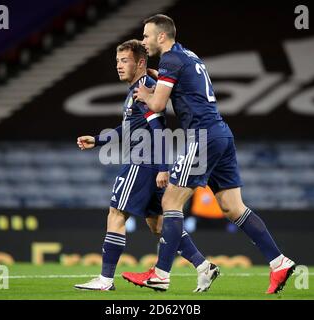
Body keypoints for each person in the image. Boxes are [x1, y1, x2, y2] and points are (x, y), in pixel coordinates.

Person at [121, 15, 296, 294]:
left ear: (161, 37)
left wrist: (143, 94)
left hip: (201, 136)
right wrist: (155, 76)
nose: (143, 41)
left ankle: (161, 274)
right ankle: (279, 262)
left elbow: (158, 103)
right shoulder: (186, 55)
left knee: (170, 201)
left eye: (146, 36)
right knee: (232, 207)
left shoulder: (169, 60)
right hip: (221, 133)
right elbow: (180, 81)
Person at [74, 39, 220, 292]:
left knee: (116, 214)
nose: (119, 66)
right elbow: (130, 127)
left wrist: (163, 167)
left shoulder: (145, 89)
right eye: (117, 61)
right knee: (159, 225)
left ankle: (105, 280)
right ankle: (203, 266)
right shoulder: (143, 88)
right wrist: (98, 140)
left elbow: (159, 130)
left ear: (140, 62)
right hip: (152, 164)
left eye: (125, 61)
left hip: (142, 162)